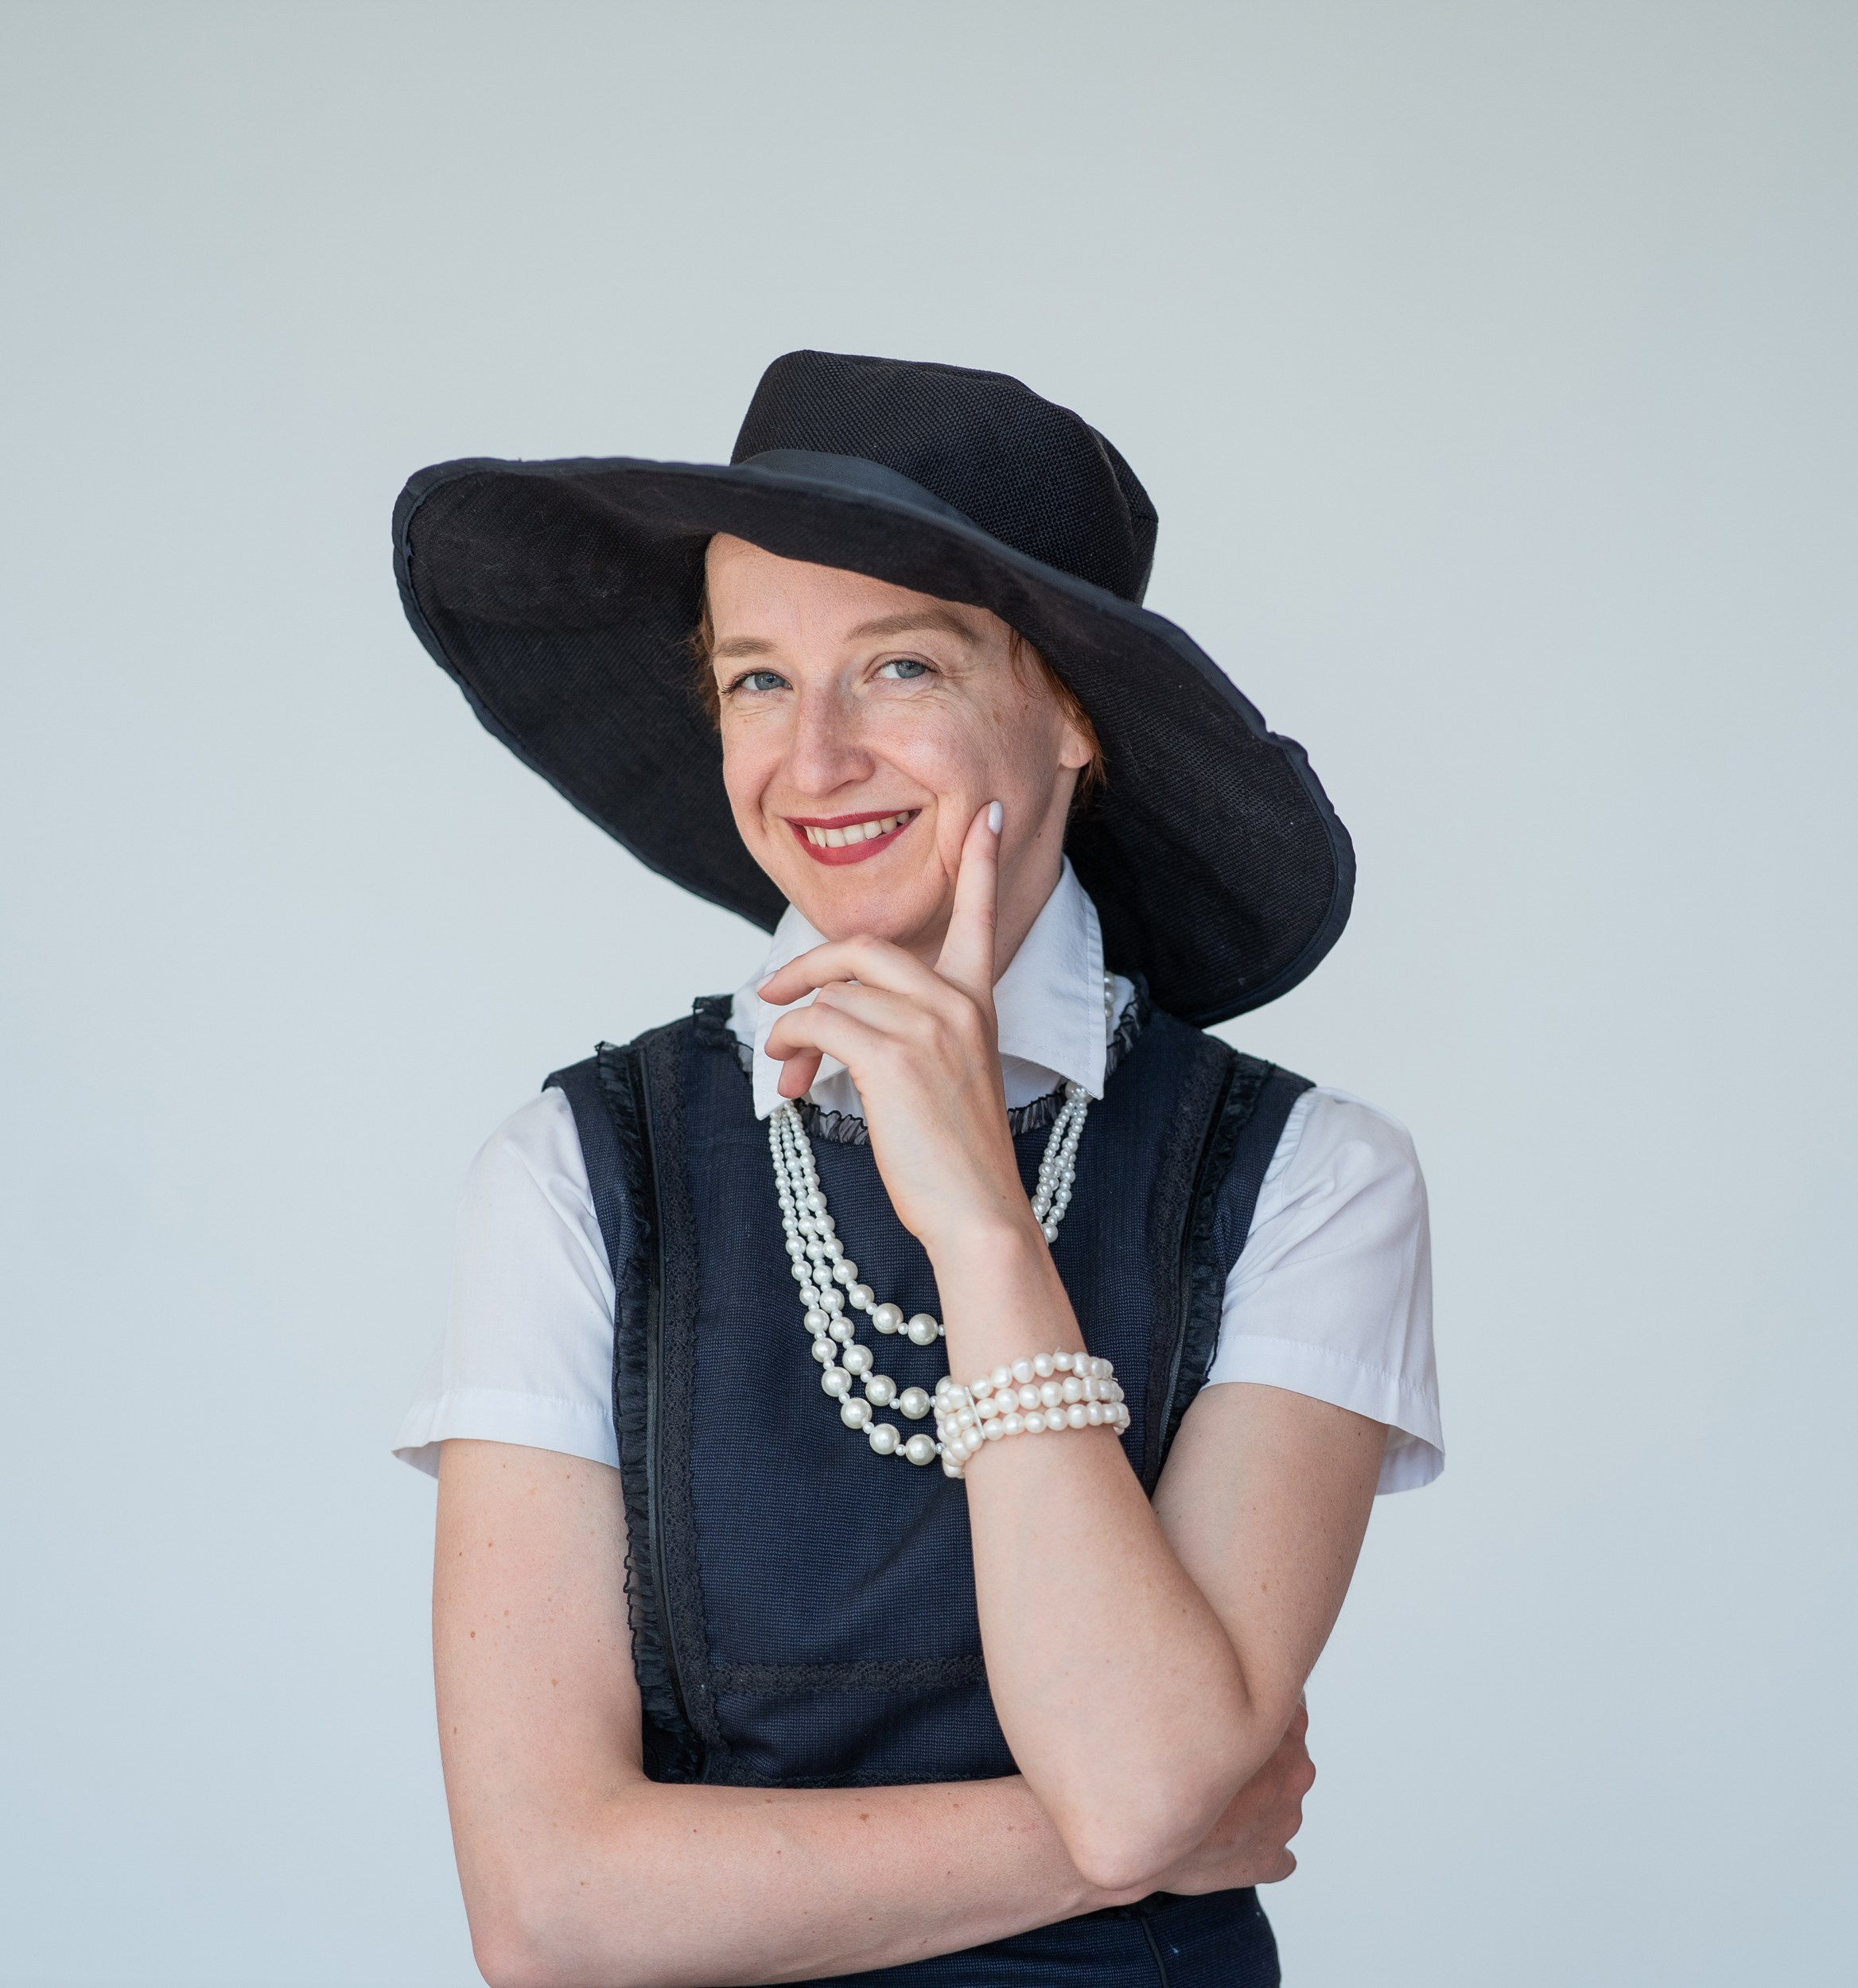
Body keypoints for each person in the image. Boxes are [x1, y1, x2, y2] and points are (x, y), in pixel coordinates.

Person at [391, 351, 1442, 1986]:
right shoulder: (574, 1176)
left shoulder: (1310, 1179)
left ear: (1071, 711)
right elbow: (553, 1913)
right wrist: (1133, 1842)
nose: (812, 761)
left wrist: (975, 1217)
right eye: (754, 679)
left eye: (896, 666)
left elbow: (1144, 1764)